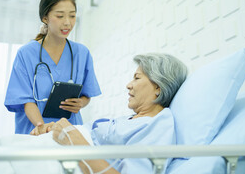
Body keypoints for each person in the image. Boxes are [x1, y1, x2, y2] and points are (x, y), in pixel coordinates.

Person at [42, 53, 188, 174]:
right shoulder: (132, 120)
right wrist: (53, 130)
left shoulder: (160, 123)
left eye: (137, 78)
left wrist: (74, 141)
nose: (128, 85)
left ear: (158, 87)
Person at [4, 0, 101, 135]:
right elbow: (26, 100)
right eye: (60, 16)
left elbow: (87, 94)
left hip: (69, 133)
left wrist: (80, 103)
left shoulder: (82, 53)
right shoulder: (26, 54)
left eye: (72, 16)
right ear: (45, 18)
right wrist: (41, 126)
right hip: (34, 132)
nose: (68, 23)